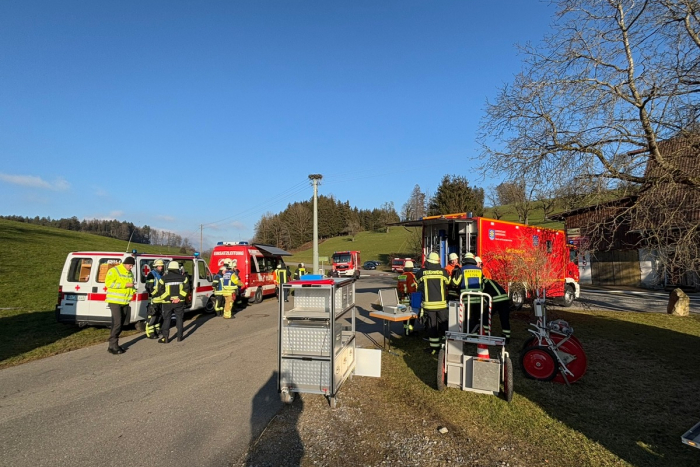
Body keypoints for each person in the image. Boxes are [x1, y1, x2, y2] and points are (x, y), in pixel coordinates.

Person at [416, 252, 450, 354]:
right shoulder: (443, 272)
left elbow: (417, 282)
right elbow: (449, 282)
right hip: (442, 305)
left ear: (428, 261)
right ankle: (447, 346)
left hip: (429, 305)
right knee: (444, 324)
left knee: (432, 325)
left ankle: (434, 348)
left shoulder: (421, 272)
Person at [104, 256, 136, 355]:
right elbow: (109, 283)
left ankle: (113, 344)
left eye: (132, 266)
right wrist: (125, 285)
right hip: (115, 301)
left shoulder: (130, 273)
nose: (131, 267)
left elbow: (130, 287)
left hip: (125, 302)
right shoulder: (114, 270)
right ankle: (113, 344)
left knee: (122, 323)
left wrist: (133, 290)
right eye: (130, 265)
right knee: (117, 323)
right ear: (125, 264)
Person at [157, 261, 190, 343]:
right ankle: (179, 336)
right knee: (179, 318)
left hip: (167, 302)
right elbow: (186, 289)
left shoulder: (163, 278)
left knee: (167, 319)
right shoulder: (184, 278)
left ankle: (165, 338)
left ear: (169, 268)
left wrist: (169, 298)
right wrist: (179, 298)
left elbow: (160, 290)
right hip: (179, 302)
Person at [481, 277, 511, 343]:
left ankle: (485, 334)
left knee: (486, 316)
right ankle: (507, 336)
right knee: (504, 318)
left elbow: (482, 291)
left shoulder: (483, 282)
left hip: (496, 299)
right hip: (505, 299)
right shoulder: (489, 281)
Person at [460, 253, 485, 333]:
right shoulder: (479, 270)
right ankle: (478, 332)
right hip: (479, 297)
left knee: (468, 317)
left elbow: (456, 282)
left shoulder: (462, 269)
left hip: (467, 297)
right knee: (478, 316)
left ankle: (470, 334)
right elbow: (483, 283)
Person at [144, 259, 165, 338]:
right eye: (159, 266)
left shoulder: (161, 274)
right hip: (154, 299)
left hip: (161, 299)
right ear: (155, 266)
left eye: (161, 266)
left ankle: (157, 330)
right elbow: (149, 287)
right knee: (152, 315)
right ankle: (150, 332)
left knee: (159, 315)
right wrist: (155, 294)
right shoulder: (151, 274)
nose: (161, 268)